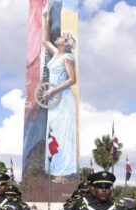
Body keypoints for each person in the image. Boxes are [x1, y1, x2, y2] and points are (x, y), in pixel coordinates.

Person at [40, 7, 77, 177]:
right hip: (52, 98)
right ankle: (54, 168)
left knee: (63, 132)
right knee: (54, 130)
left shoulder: (68, 58)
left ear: (66, 43)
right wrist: (46, 20)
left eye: (61, 37)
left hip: (63, 97)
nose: (58, 37)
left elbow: (72, 80)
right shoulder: (56, 54)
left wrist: (53, 90)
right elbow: (45, 41)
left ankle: (64, 171)